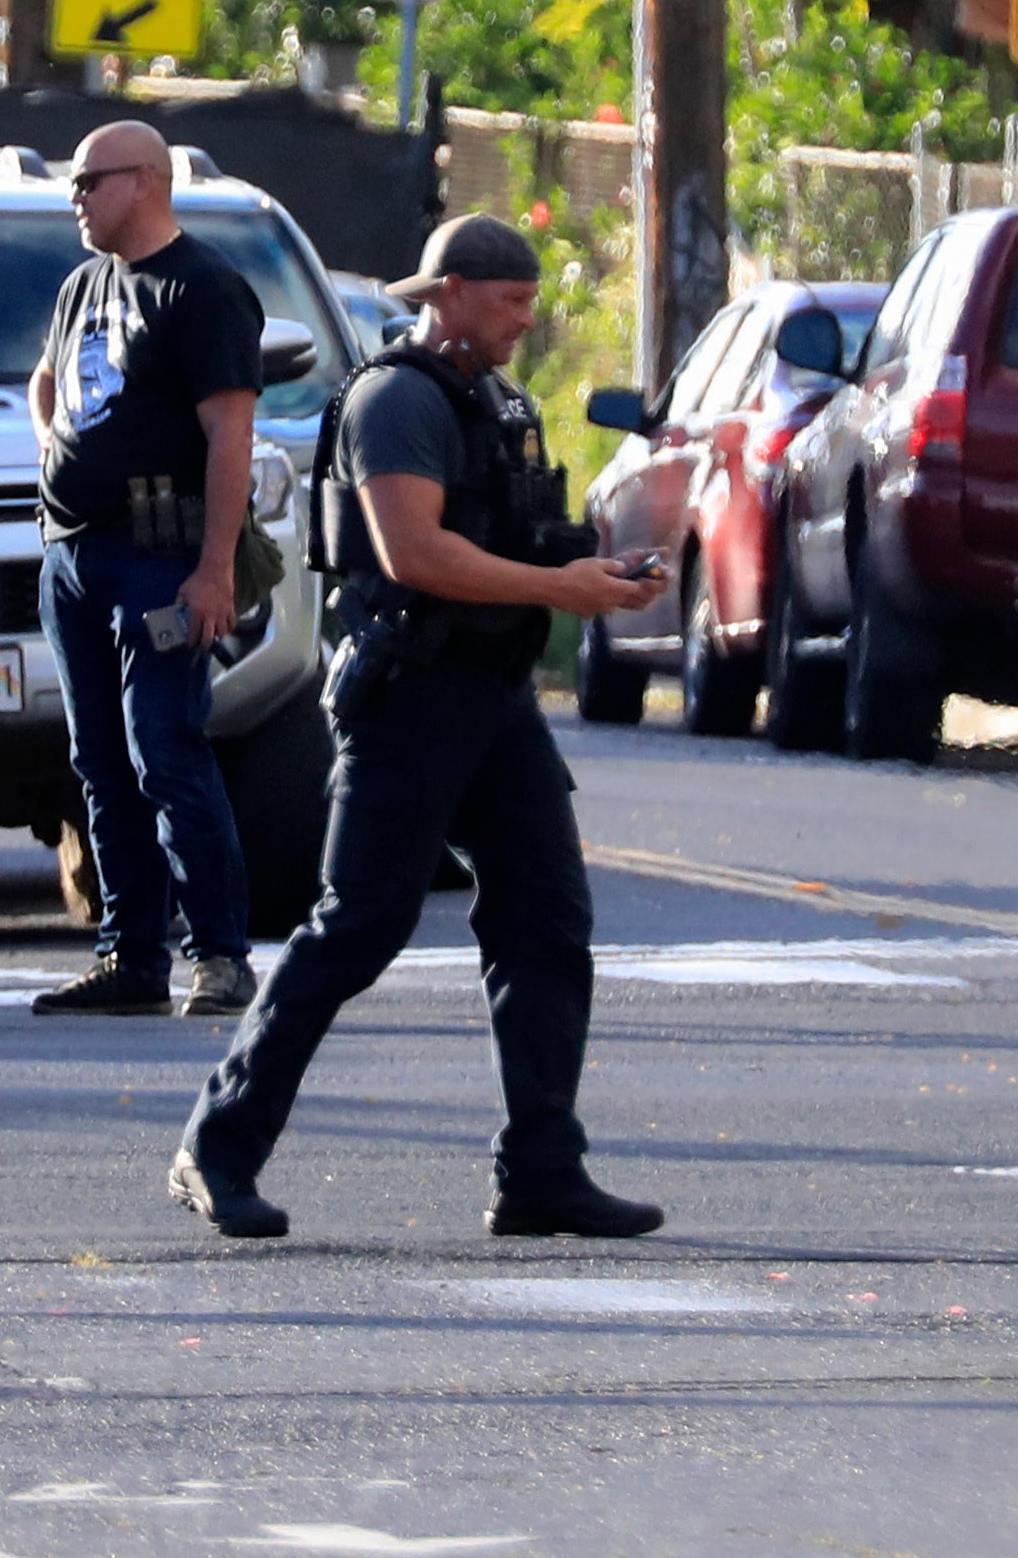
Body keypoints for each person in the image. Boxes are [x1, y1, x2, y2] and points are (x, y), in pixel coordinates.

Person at [170, 214, 665, 1245]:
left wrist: (602, 566)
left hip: (496, 698)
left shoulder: (497, 400)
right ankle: (218, 1148)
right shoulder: (396, 401)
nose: (527, 321)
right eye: (511, 301)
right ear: (448, 292)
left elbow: (506, 533)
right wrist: (562, 590)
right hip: (412, 698)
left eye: (532, 301)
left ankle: (541, 1170)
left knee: (546, 920)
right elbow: (413, 555)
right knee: (358, 927)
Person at [24, 119, 265, 1021]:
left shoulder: (201, 289)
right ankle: (129, 954)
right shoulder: (83, 284)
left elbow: (228, 439)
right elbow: (46, 380)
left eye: (89, 180)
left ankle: (219, 954)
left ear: (146, 181)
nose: (75, 198)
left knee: (163, 744)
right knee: (97, 760)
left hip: (160, 551)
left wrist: (213, 570)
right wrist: (50, 447)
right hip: (74, 552)